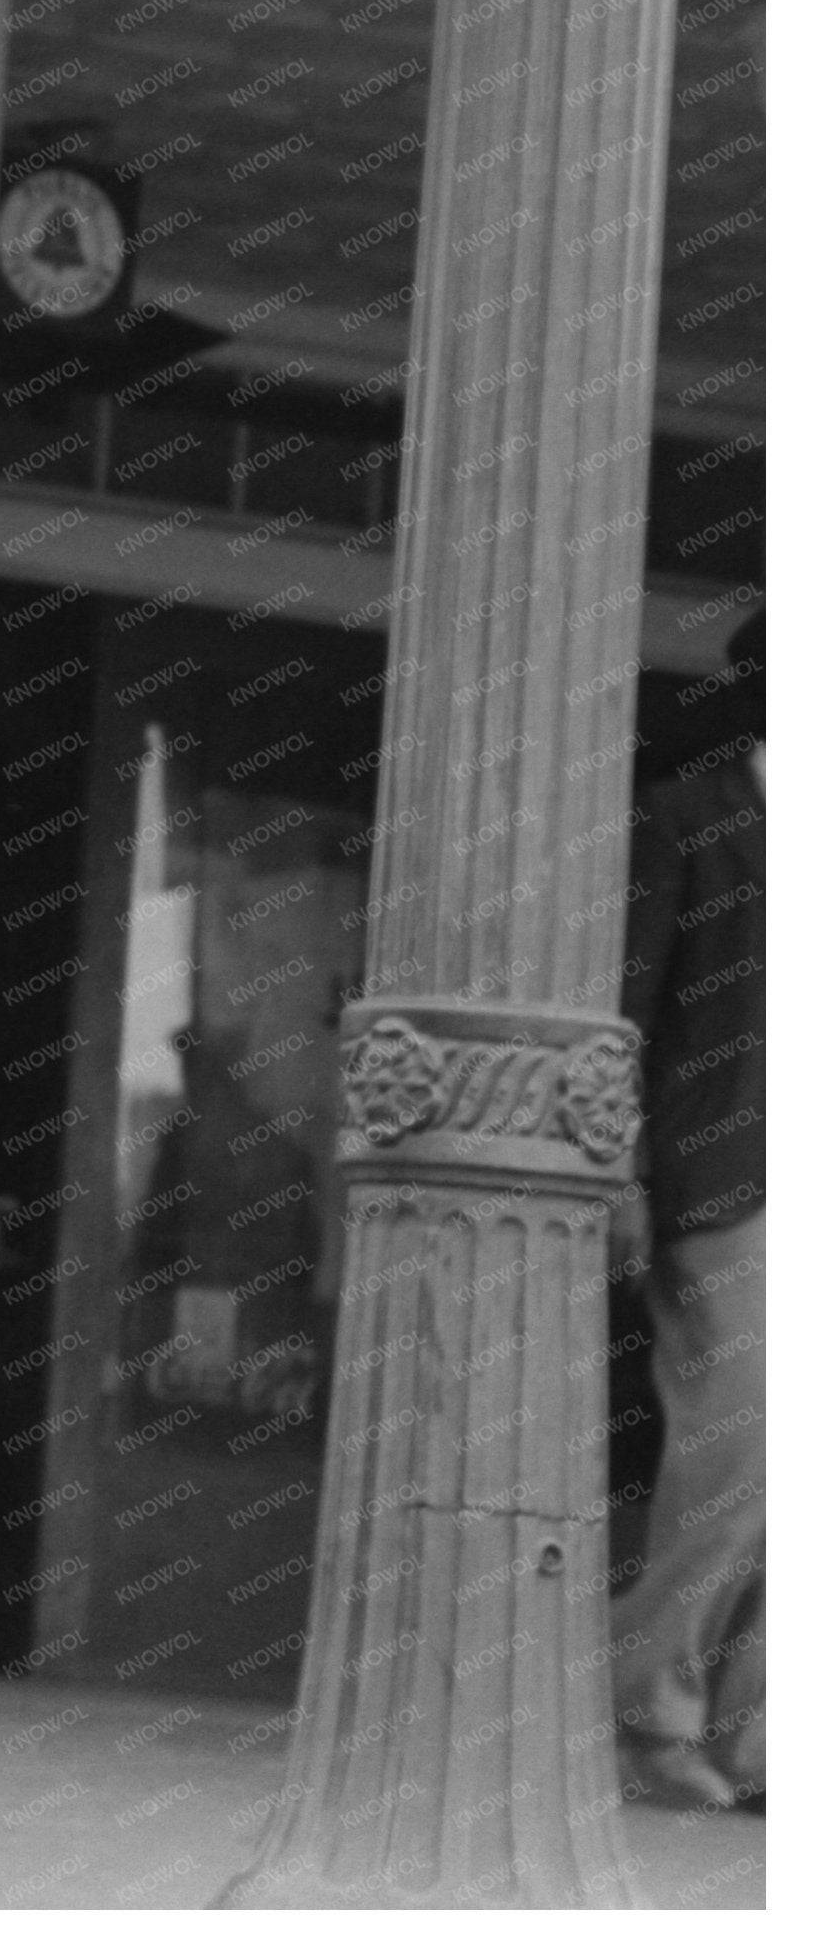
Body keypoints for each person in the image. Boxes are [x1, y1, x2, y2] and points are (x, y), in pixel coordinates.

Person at [611, 610, 764, 1812]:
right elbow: (625, 1008)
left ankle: (759, 1736)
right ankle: (650, 1711)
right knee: (732, 1455)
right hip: (727, 1176)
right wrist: (620, 1170)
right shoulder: (685, 816)